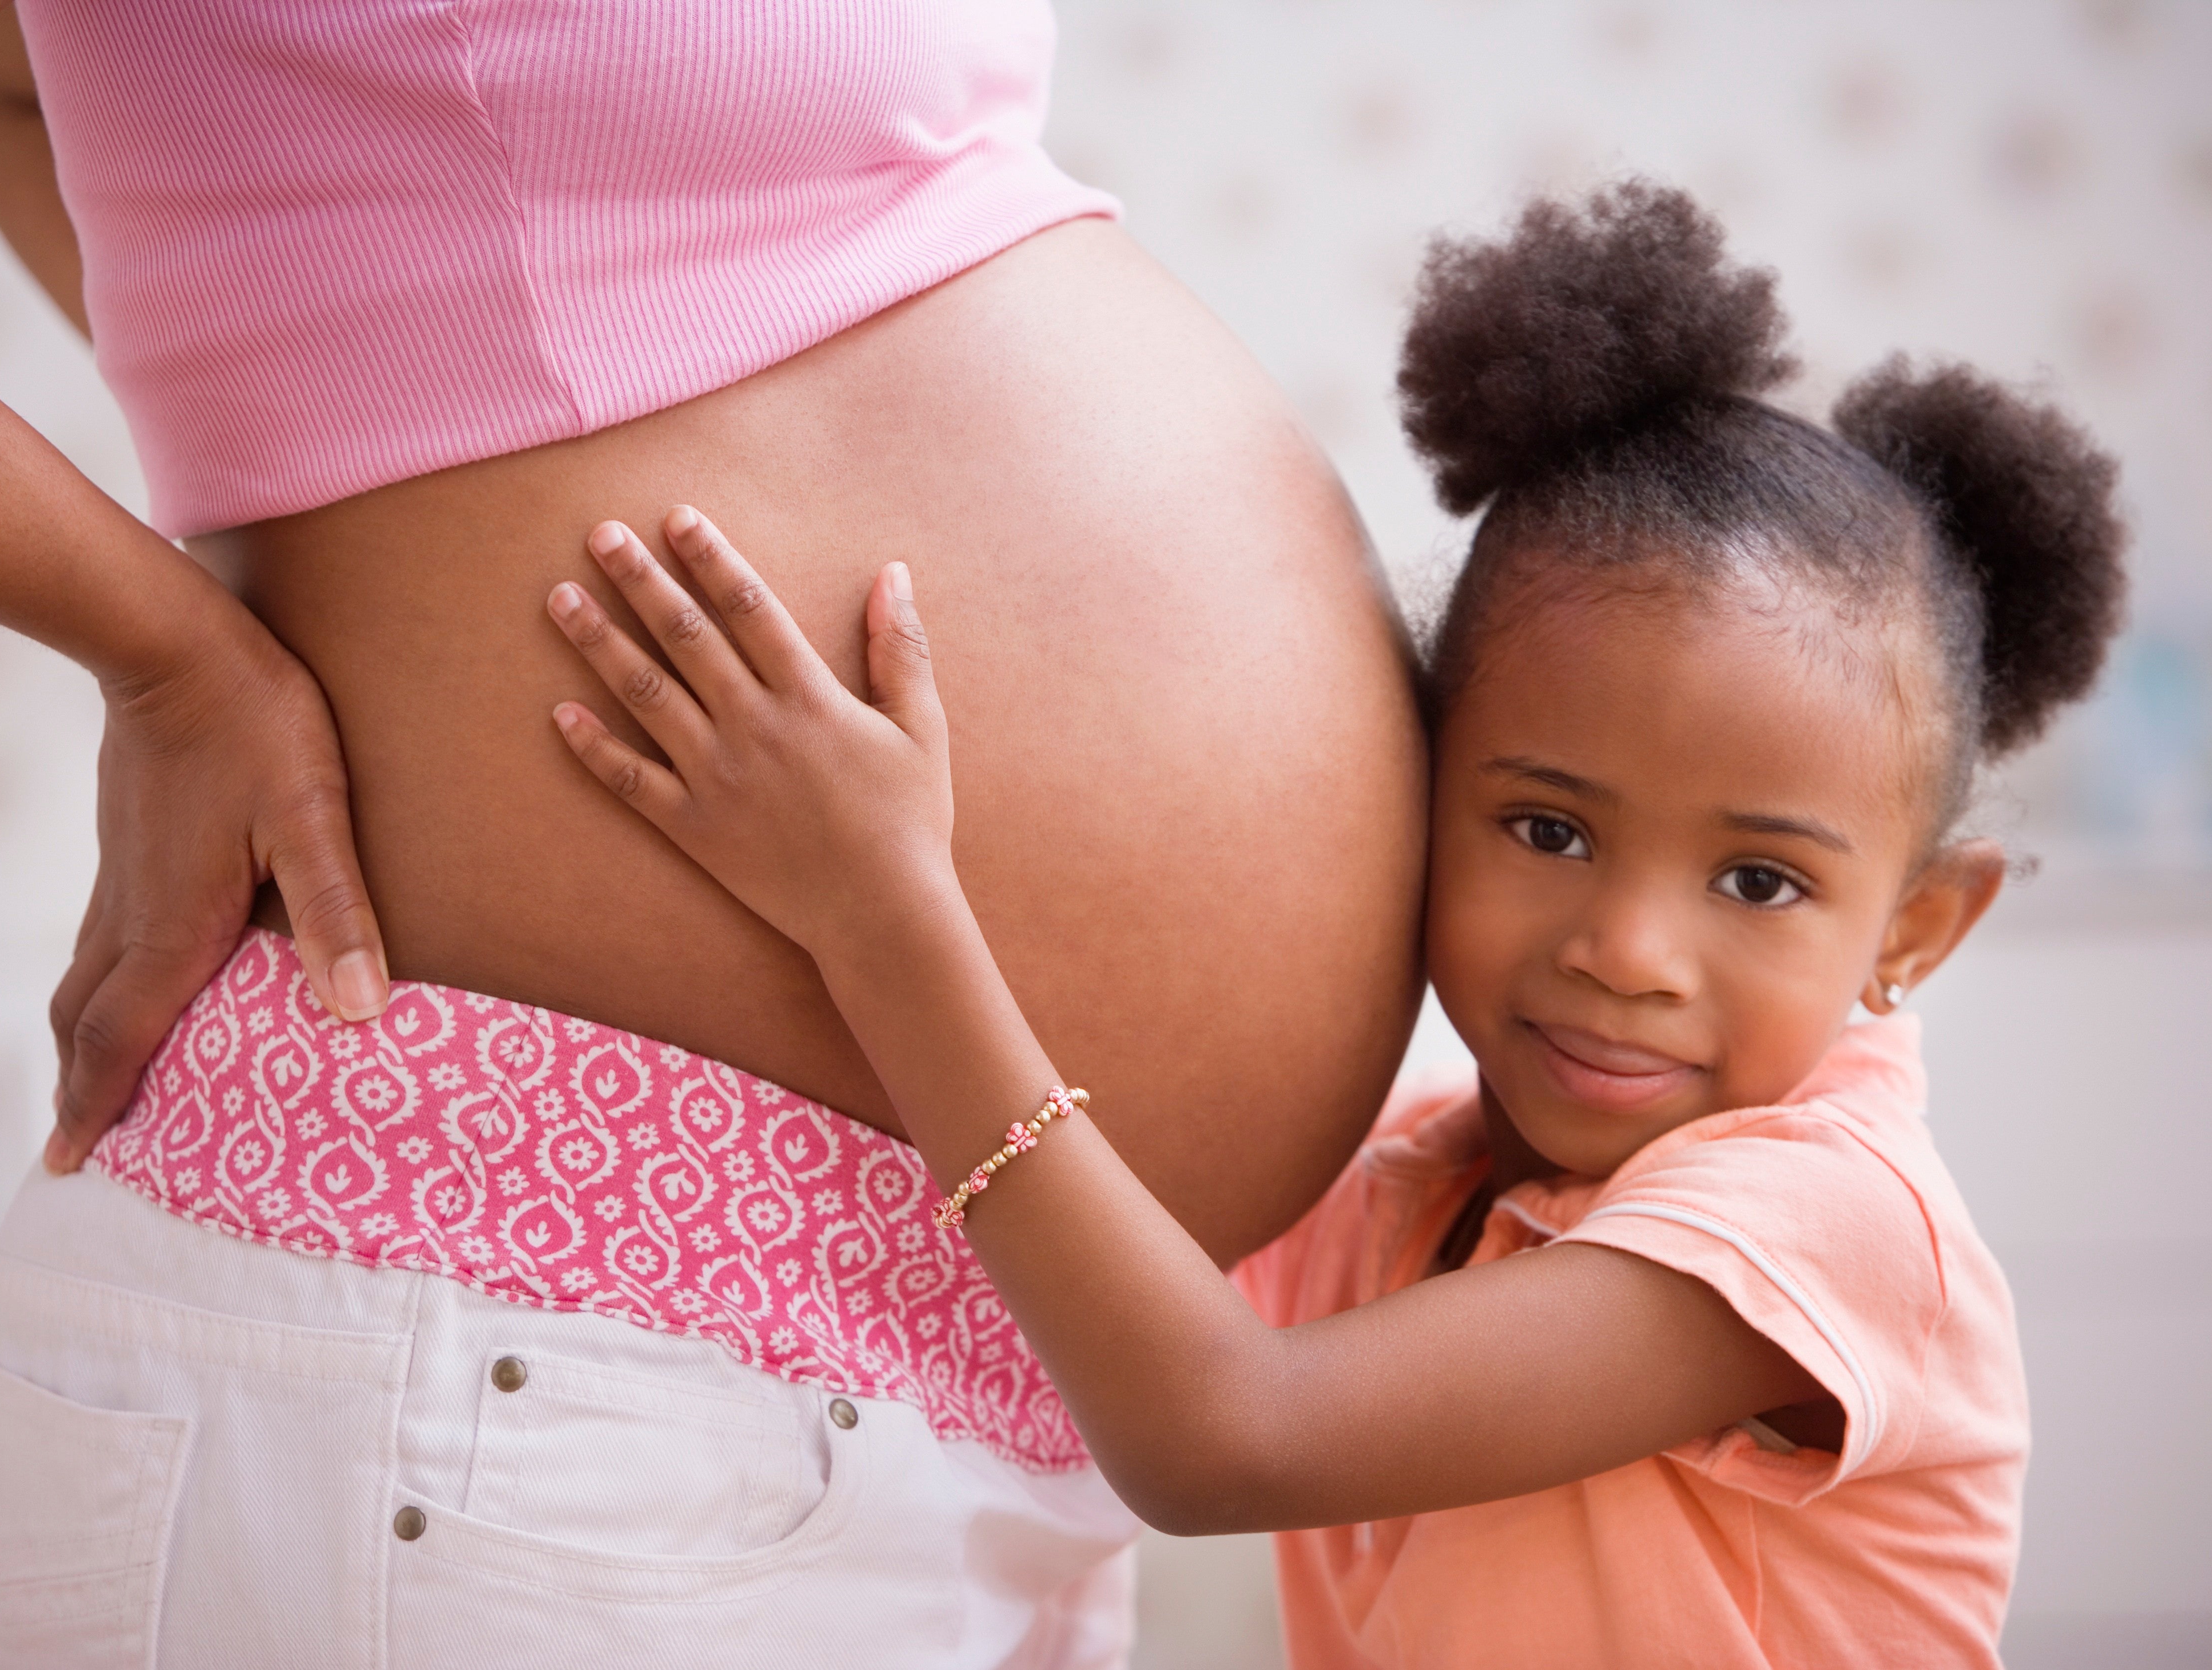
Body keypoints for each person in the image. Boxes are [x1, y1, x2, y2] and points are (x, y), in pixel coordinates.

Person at [0, 1, 1425, 1662]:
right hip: (536, 1336)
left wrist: (349, 399)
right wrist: (166, 650)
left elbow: (27, 79)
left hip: (965, 1391)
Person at [540, 182, 2124, 1668]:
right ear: (1408, 797)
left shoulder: (1831, 1225)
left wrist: (884, 915)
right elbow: (1094, 1252)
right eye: (1547, 829)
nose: (1625, 948)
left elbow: (1220, 1434)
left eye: (1759, 881)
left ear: (1918, 924)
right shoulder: (1417, 1184)